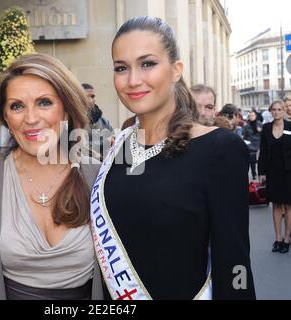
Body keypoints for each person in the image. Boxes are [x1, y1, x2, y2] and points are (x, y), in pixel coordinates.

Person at [90, 16, 255, 300]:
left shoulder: (219, 149)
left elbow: (235, 262)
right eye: (121, 68)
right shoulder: (118, 147)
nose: (132, 80)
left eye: (147, 64)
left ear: (176, 70)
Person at [0, 53, 103, 299]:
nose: (31, 119)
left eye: (44, 102)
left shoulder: (100, 179)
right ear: (6, 118)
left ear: (65, 110)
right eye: (17, 106)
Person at [258, 100, 291, 254]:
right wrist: (261, 173)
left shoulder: (290, 126)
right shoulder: (266, 128)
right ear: (270, 111)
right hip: (272, 172)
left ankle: (287, 238)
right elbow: (263, 152)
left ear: (284, 110)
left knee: (288, 206)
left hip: (288, 172)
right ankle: (277, 238)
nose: (277, 112)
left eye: (279, 109)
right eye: (274, 109)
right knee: (276, 206)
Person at [81, 83, 114, 160]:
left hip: (105, 165)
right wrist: (106, 142)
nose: (90, 100)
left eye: (92, 96)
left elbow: (113, 140)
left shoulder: (103, 121)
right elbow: (80, 147)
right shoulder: (74, 120)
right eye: (86, 97)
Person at [243, 110, 263, 180]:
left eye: (253, 115)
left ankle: (261, 173)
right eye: (250, 116)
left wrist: (260, 131)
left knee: (260, 160)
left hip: (258, 144)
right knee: (252, 161)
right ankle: (254, 174)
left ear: (255, 116)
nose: (251, 117)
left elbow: (263, 135)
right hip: (250, 145)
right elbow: (244, 136)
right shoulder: (246, 126)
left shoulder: (259, 124)